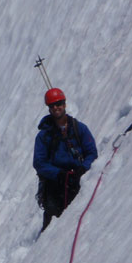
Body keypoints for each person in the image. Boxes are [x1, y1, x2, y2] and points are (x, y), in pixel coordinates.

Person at [33, 87, 98, 231]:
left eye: (59, 103)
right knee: (52, 225)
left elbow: (91, 153)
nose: (56, 107)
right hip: (54, 185)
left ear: (64, 104)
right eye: (52, 105)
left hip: (77, 180)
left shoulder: (79, 128)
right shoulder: (44, 136)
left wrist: (83, 168)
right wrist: (58, 174)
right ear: (49, 108)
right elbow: (39, 163)